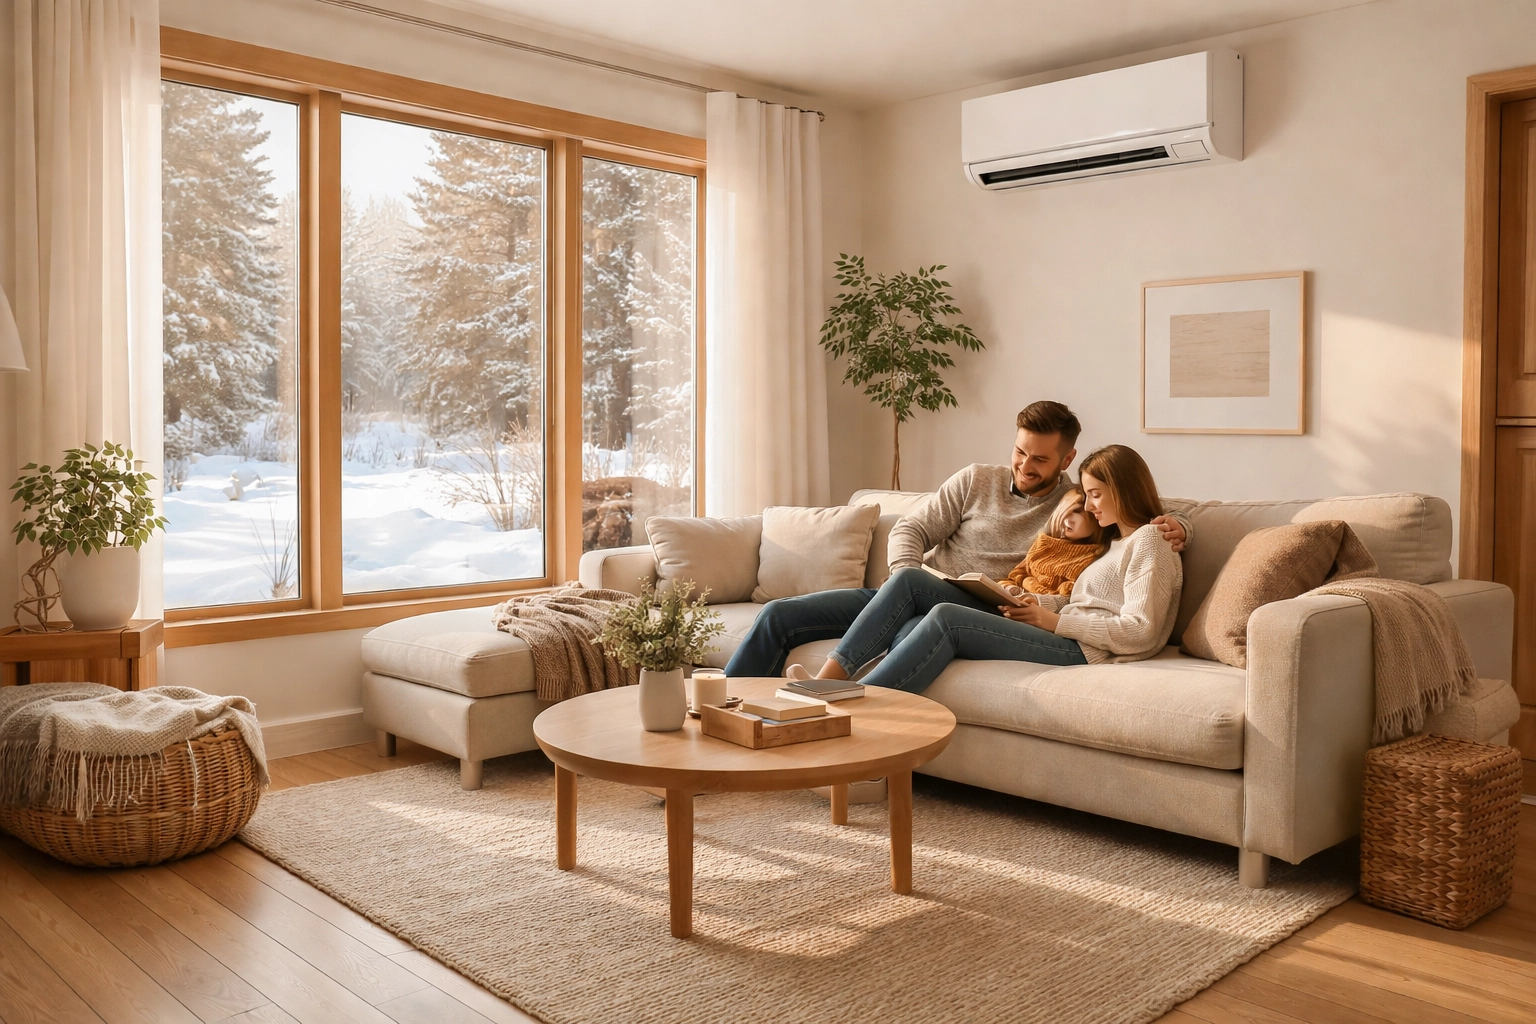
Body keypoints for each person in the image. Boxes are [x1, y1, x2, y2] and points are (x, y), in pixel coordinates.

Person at [723, 401, 1191, 678]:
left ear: (1066, 457)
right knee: (779, 614)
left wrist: (1179, 526)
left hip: (987, 606)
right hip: (916, 587)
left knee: (916, 616)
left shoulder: (1075, 504)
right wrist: (905, 573)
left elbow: (1136, 513)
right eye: (1019, 452)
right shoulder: (975, 480)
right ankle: (722, 719)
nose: (1025, 467)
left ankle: (826, 692)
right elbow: (911, 528)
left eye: (1040, 461)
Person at [797, 444, 1183, 692]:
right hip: (1067, 631)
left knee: (947, 618)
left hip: (1083, 650)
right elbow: (1087, 602)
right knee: (911, 579)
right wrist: (1034, 602)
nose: (1091, 506)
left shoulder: (1150, 541)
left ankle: (856, 709)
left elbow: (1141, 632)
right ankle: (825, 686)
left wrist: (1053, 623)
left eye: (1096, 495)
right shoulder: (1115, 540)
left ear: (1124, 490)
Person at [1001, 486, 1108, 596]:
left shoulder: (1094, 558)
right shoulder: (1044, 542)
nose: (1067, 519)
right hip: (1015, 600)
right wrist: (1010, 587)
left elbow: (1070, 598)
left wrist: (1034, 595)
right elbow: (1017, 573)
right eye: (1065, 511)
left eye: (1078, 511)